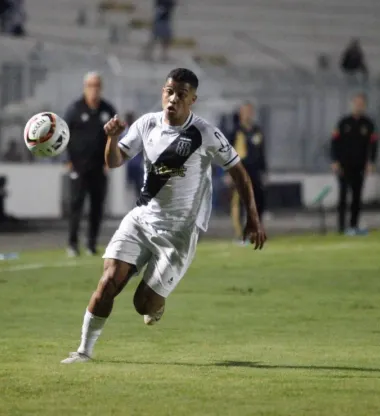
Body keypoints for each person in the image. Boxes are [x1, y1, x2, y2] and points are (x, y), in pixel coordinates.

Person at [60, 68, 267, 364]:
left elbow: (239, 172)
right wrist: (112, 139)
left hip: (179, 234)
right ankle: (83, 351)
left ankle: (156, 305)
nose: (172, 99)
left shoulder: (205, 133)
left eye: (180, 95)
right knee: (107, 282)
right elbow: (114, 161)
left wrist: (253, 219)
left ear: (192, 99)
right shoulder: (147, 124)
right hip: (142, 219)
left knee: (142, 304)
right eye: (168, 92)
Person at [64, 72, 117, 257]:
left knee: (97, 207)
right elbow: (64, 136)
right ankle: (72, 244)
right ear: (85, 87)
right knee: (75, 206)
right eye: (90, 85)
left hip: (99, 167)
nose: (94, 89)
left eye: (97, 85)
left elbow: (114, 137)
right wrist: (68, 160)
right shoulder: (74, 110)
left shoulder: (107, 110)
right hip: (78, 167)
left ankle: (91, 244)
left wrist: (110, 160)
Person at [330, 93, 379, 235]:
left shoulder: (368, 124)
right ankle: (341, 227)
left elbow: (374, 145)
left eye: (361, 104)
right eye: (356, 103)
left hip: (360, 165)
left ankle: (354, 225)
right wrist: (335, 160)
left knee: (357, 197)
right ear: (352, 104)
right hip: (344, 165)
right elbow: (334, 143)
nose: (358, 106)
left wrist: (371, 162)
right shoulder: (344, 123)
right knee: (343, 196)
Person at [226, 101, 267, 243]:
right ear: (241, 113)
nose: (249, 114)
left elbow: (262, 152)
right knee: (240, 202)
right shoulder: (235, 132)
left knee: (258, 201)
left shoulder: (257, 131)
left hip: (256, 172)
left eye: (250, 111)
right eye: (246, 111)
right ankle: (240, 235)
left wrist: (264, 170)